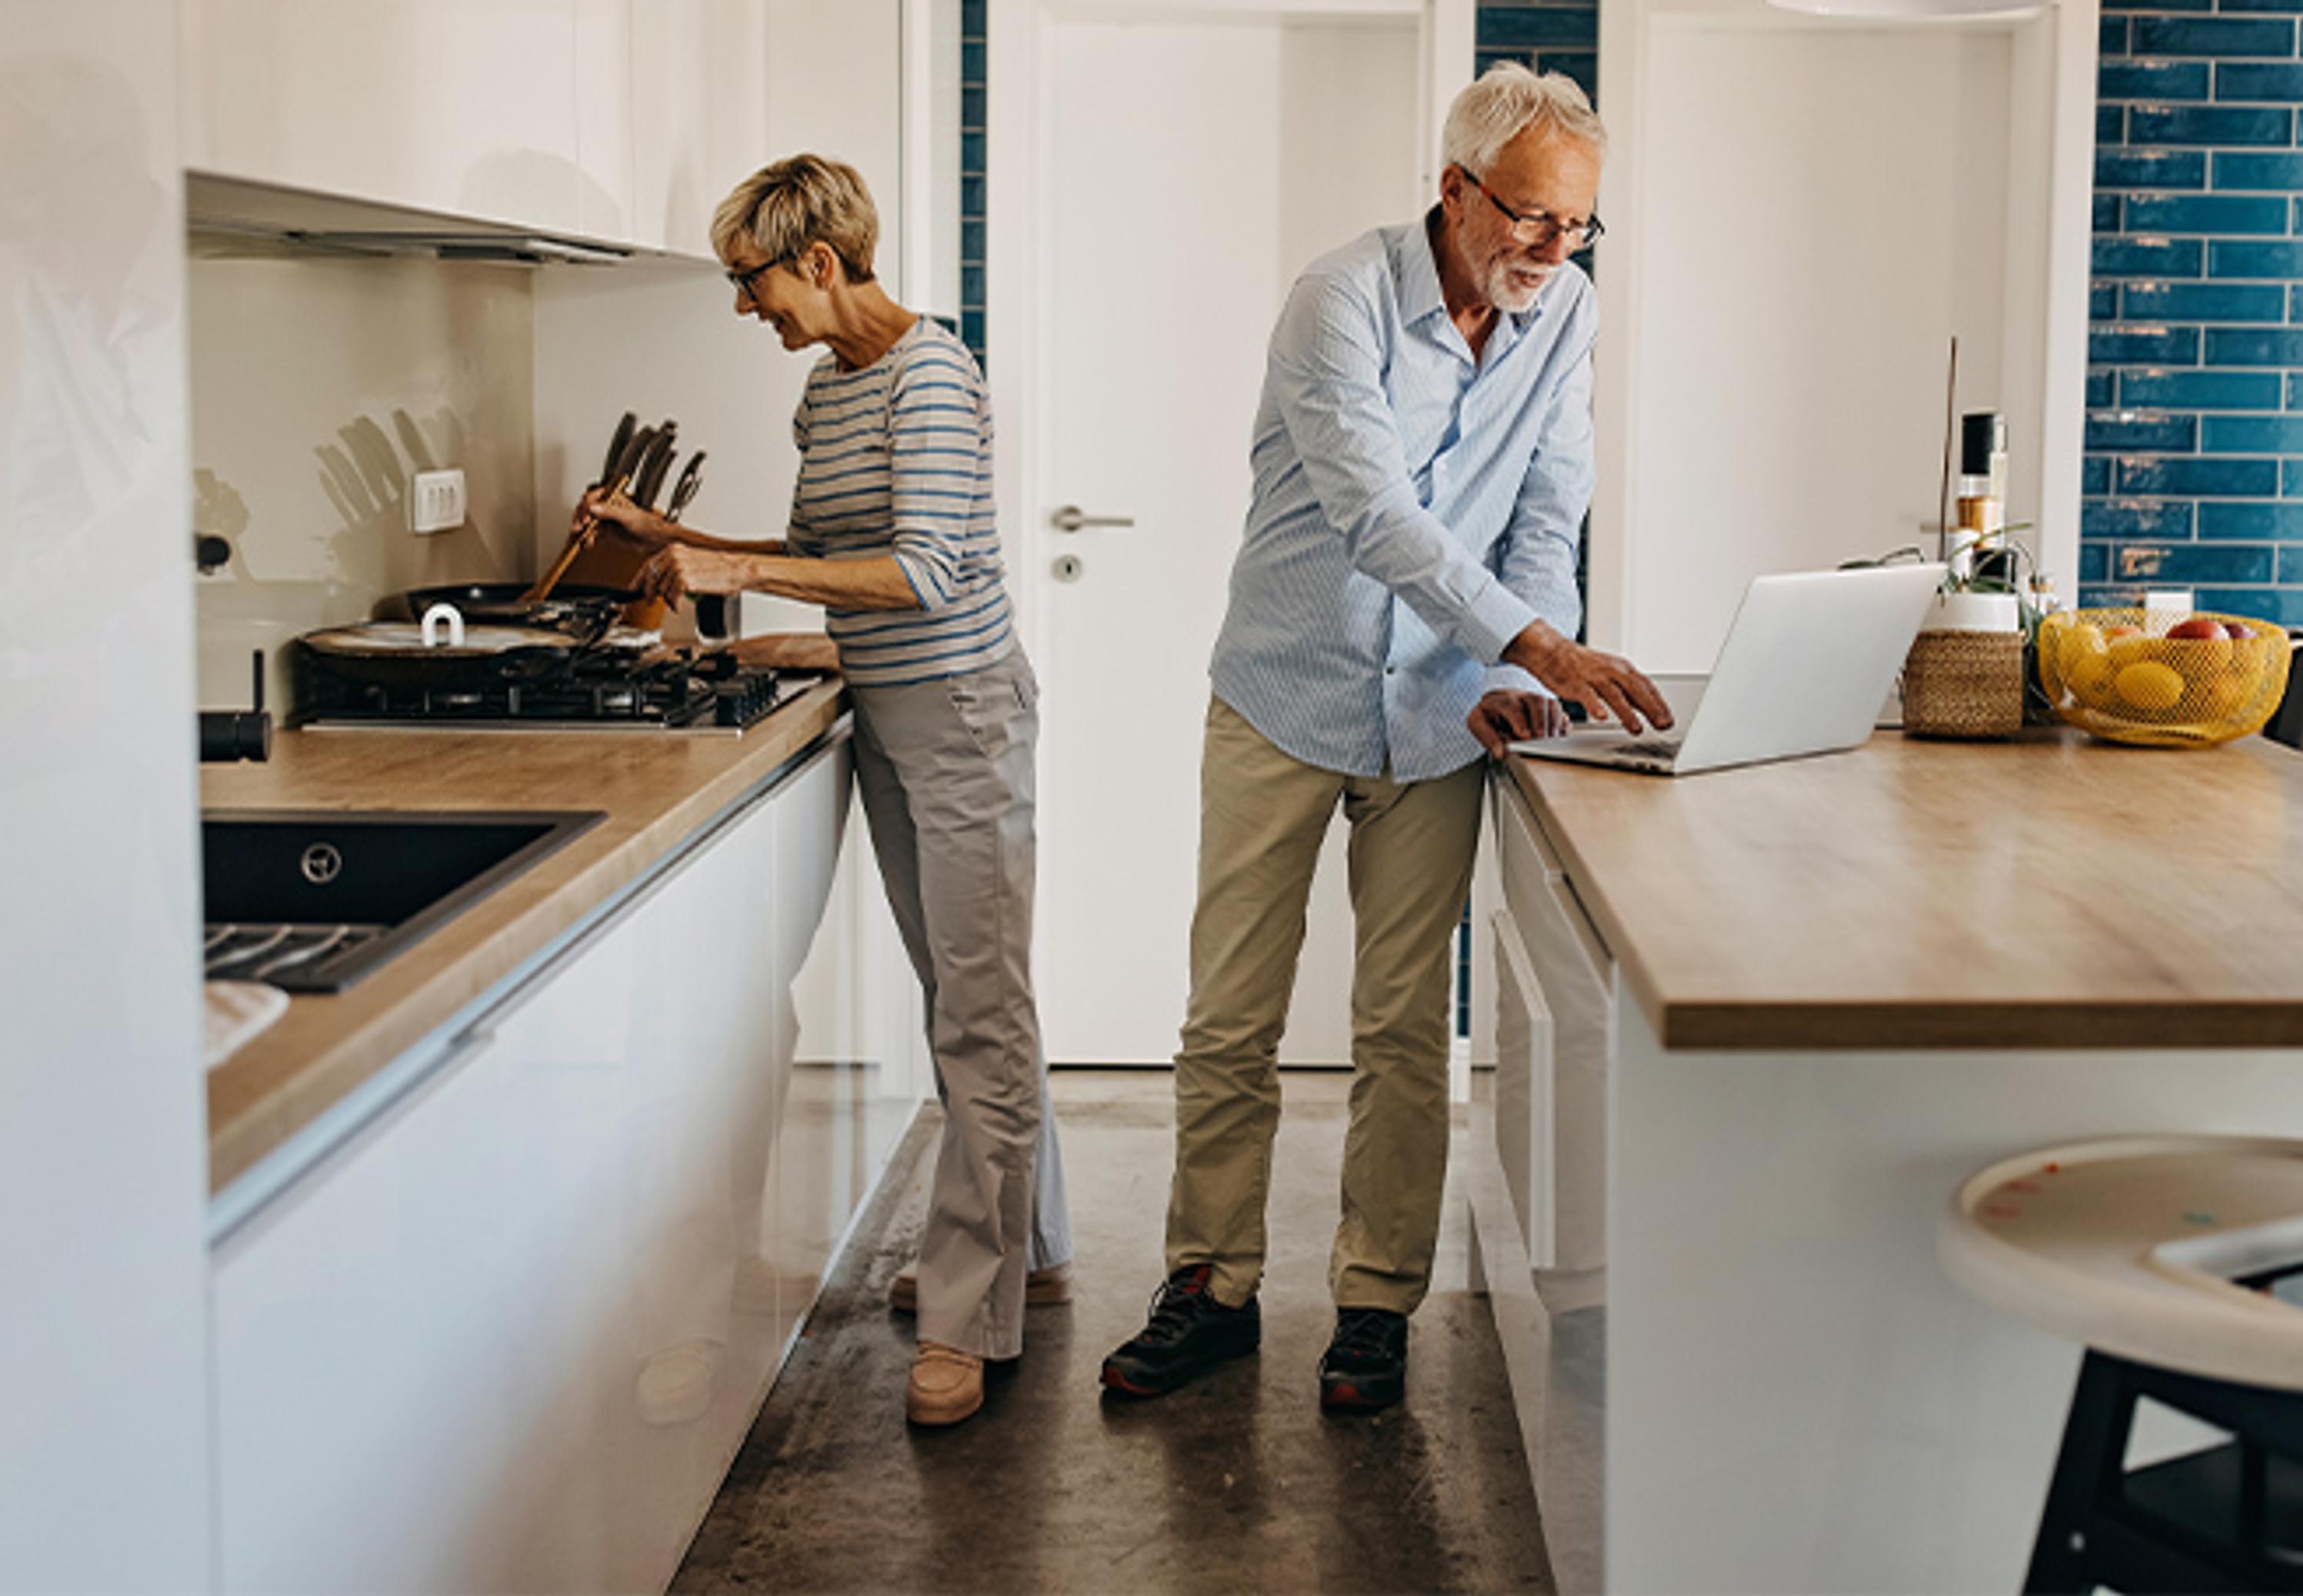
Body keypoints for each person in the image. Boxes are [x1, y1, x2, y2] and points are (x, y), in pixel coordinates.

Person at [1099, 65, 1669, 1415]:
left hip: (1437, 713)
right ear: (1454, 188)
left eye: (1576, 226)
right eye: (1528, 218)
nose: (1550, 250)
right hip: (1285, 689)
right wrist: (1535, 643)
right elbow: (1375, 515)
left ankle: (1374, 1305)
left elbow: (1549, 501)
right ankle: (1210, 1286)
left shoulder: (1567, 312)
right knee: (1232, 1014)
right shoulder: (1338, 300)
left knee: (1405, 1026)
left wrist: (1523, 661)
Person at [579, 154, 1069, 1428]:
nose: (748, 309)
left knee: (978, 1012)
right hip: (890, 712)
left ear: (819, 260)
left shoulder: (932, 376)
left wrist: (723, 567)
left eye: (751, 281)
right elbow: (815, 557)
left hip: (960, 715)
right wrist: (661, 538)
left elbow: (921, 575)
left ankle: (972, 1314)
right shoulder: (828, 391)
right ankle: (1031, 1249)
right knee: (969, 993)